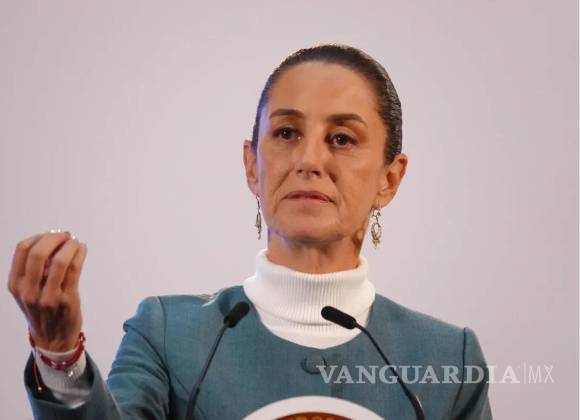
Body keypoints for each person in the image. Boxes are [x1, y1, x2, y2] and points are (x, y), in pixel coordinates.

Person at [8, 44, 493, 419]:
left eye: (342, 139)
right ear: (252, 165)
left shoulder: (446, 359)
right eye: (286, 133)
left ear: (389, 179)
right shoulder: (169, 335)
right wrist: (58, 354)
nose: (309, 160)